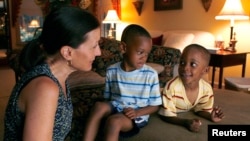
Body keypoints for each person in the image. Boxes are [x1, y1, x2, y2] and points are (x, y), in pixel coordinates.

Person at [4, 6, 101, 141]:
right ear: (67, 52)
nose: (99, 52)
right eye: (94, 46)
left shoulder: (58, 77)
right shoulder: (45, 88)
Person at [83, 24, 162, 141]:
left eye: (147, 54)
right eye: (140, 52)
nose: (144, 58)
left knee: (114, 121)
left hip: (136, 115)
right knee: (98, 106)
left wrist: (137, 112)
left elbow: (155, 106)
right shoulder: (112, 70)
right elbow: (107, 98)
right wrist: (106, 109)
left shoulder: (151, 74)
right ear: (123, 48)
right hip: (116, 106)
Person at [158, 44, 224, 132]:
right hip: (159, 94)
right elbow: (165, 114)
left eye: (193, 64)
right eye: (182, 62)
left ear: (205, 70)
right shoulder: (171, 87)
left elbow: (200, 109)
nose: (185, 68)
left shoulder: (207, 89)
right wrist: (185, 122)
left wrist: (210, 116)